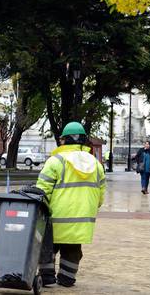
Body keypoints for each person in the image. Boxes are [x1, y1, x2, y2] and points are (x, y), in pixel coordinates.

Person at [36, 122, 106, 287]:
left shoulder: (56, 161)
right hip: (82, 220)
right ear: (83, 140)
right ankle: (67, 278)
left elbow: (42, 190)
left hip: (56, 218)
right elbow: (101, 196)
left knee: (48, 247)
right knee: (73, 250)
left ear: (63, 140)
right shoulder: (96, 164)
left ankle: (46, 277)